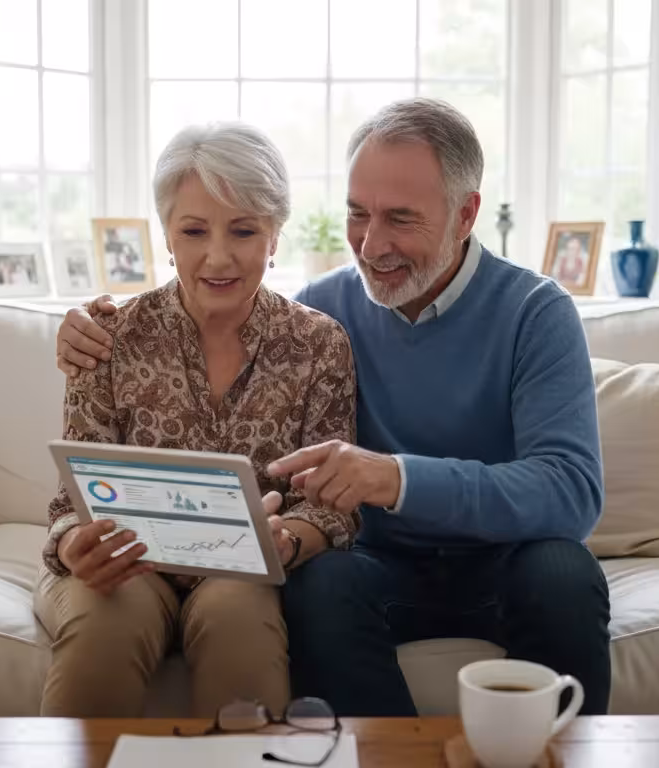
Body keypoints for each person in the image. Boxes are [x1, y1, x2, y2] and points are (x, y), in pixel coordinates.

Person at [55, 98, 611, 717]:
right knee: (322, 586)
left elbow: (572, 492)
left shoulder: (537, 312)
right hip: (382, 568)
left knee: (565, 571)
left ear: (465, 214)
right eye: (357, 214)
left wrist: (396, 476)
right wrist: (79, 325)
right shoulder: (327, 311)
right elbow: (223, 303)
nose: (372, 245)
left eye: (401, 218)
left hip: (507, 561)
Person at [37, 121, 358, 718]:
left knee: (240, 621)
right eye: (193, 231)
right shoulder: (105, 337)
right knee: (102, 629)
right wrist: (73, 546)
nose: (218, 256)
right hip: (127, 560)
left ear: (274, 237)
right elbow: (69, 502)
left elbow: (331, 504)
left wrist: (284, 542)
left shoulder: (319, 344)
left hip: (244, 567)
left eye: (243, 230)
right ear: (166, 236)